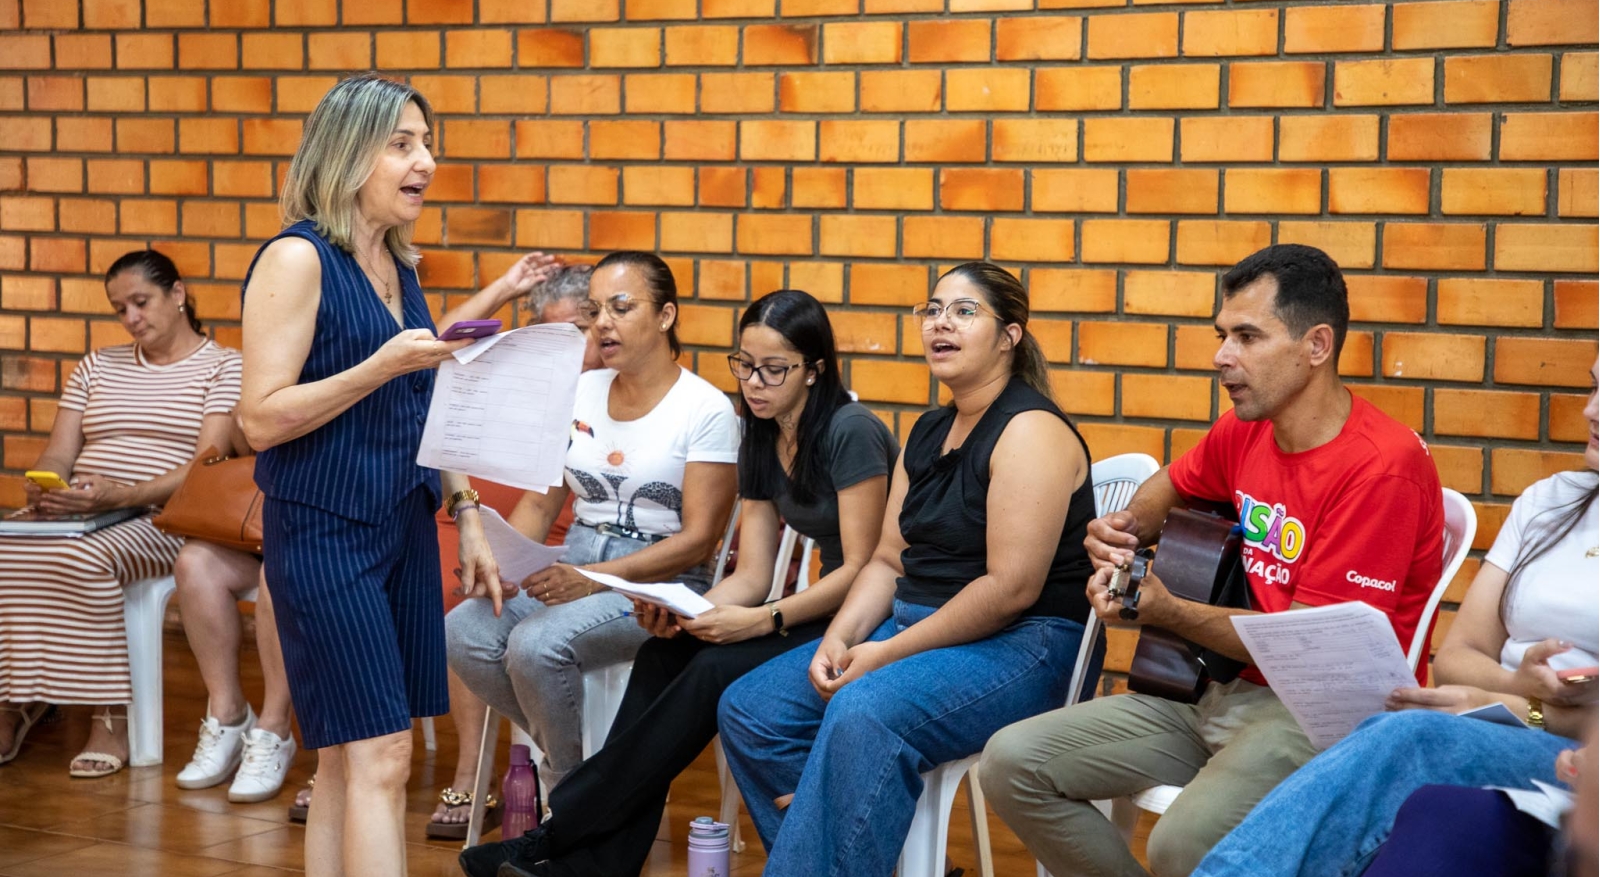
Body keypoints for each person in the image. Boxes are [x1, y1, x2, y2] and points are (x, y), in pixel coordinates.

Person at [980, 243, 1445, 877]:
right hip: (1215, 686)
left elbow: (1302, 645)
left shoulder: (1382, 467)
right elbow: (1174, 482)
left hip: (1322, 712)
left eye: (1247, 337)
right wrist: (1123, 531)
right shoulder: (1249, 426)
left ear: (1317, 345)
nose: (1222, 357)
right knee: (1011, 763)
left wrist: (1167, 611)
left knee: (1179, 845)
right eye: (1222, 335)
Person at [459, 289, 899, 877]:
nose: (754, 383)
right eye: (744, 365)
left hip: (872, 614)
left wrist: (761, 619)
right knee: (664, 652)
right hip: (819, 608)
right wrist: (693, 612)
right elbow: (754, 573)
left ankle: (557, 834)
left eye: (774, 370)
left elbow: (864, 569)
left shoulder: (851, 430)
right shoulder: (763, 432)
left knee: (711, 670)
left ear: (814, 370)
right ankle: (596, 863)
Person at [238, 74, 558, 876]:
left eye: (428, 145)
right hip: (324, 529)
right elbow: (260, 418)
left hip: (404, 528)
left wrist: (468, 516)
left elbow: (426, 404)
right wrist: (377, 367)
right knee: (382, 754)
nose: (427, 163)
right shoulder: (296, 258)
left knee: (347, 758)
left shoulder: (396, 266)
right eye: (402, 144)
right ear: (348, 155)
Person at [715, 263, 1096, 877]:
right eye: (932, 310)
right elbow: (888, 558)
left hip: (1024, 645)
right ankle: (845, 844)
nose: (941, 323)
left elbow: (1009, 590)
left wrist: (884, 654)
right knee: (752, 709)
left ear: (1010, 337)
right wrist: (840, 636)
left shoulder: (1031, 430)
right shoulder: (929, 428)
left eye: (964, 312)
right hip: (918, 626)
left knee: (863, 710)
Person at [1189, 359, 1599, 877]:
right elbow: (1455, 659)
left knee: (1409, 740)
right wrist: (1517, 691)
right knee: (1418, 776)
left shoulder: (1384, 461)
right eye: (1592, 387)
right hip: (1509, 722)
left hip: (1570, 748)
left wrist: (1510, 703)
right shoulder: (1550, 501)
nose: (1590, 411)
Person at [445, 250, 739, 793]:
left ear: (666, 316)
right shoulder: (580, 391)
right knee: (463, 630)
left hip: (659, 584)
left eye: (621, 307)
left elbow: (698, 541)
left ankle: (566, 795)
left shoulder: (705, 409)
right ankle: (589, 784)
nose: (603, 322)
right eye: (595, 309)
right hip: (577, 559)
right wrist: (500, 562)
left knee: (536, 646)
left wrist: (592, 580)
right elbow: (542, 504)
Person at [0, 249, 242, 777]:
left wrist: (120, 495)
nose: (131, 318)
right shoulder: (96, 365)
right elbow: (58, 454)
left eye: (141, 302)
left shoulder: (224, 366)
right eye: (119, 309)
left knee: (87, 558)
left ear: (177, 294)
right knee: (7, 550)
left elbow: (204, 466)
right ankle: (16, 700)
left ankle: (110, 716)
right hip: (87, 508)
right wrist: (46, 486)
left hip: (161, 518)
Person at [427, 263, 599, 842]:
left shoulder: (612, 392)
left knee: (472, 593)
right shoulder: (530, 377)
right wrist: (505, 287)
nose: (568, 348)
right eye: (552, 333)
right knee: (466, 594)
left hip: (564, 529)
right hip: (490, 513)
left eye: (577, 331)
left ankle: (486, 772)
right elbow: (437, 350)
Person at [172, 533, 297, 802]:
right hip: (250, 536)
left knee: (278, 569)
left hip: (309, 541)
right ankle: (229, 716)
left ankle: (275, 726)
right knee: (194, 563)